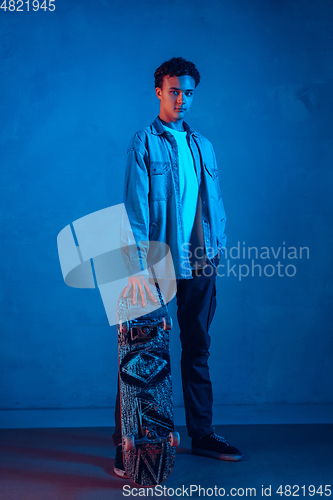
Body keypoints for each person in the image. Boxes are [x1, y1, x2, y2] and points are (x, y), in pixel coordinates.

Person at [113, 57, 243, 478]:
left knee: (198, 346)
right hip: (154, 263)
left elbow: (213, 203)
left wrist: (218, 247)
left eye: (188, 92)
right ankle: (128, 442)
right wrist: (134, 267)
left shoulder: (202, 145)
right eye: (174, 91)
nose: (182, 99)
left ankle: (201, 433)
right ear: (159, 92)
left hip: (202, 260)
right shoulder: (144, 142)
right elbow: (134, 209)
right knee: (140, 352)